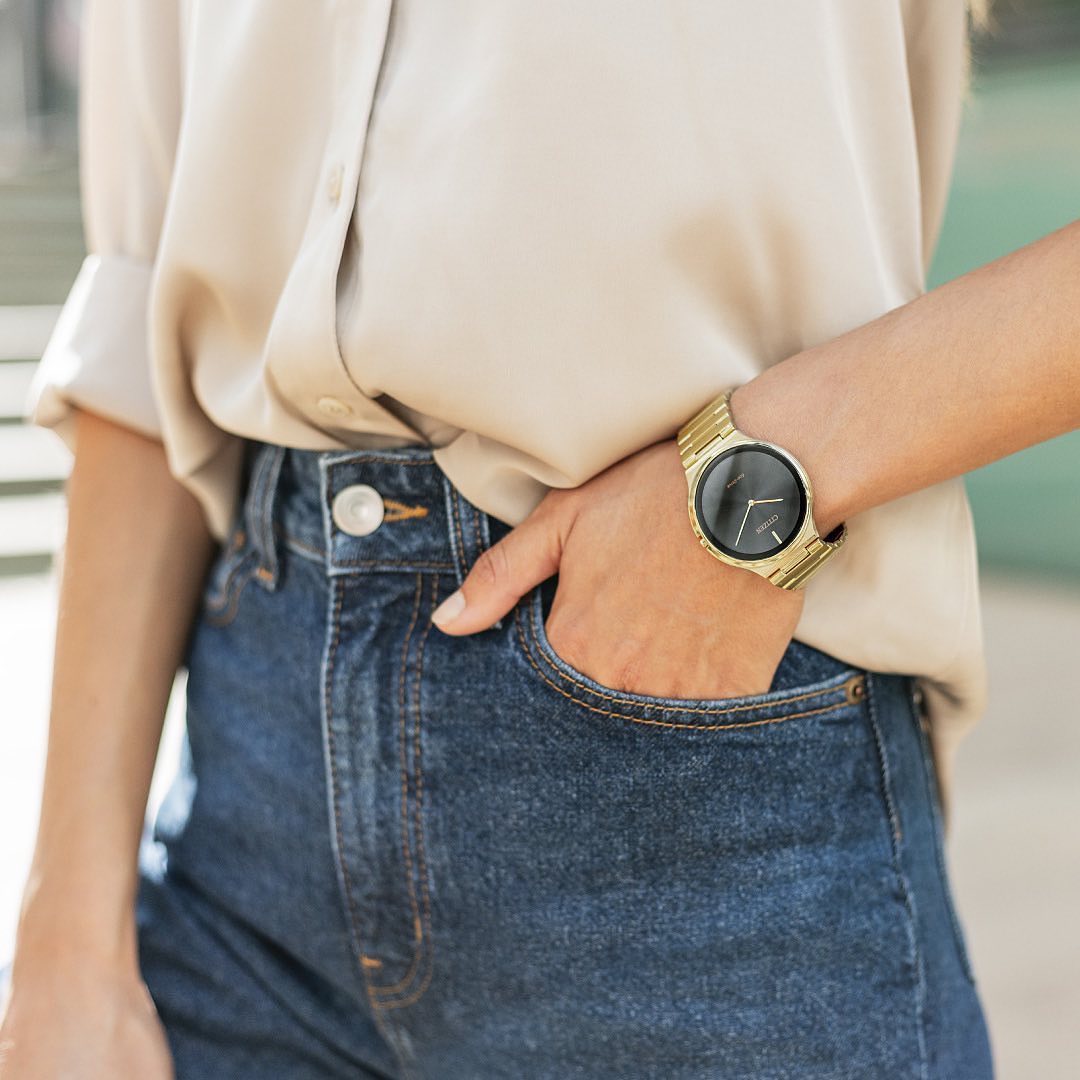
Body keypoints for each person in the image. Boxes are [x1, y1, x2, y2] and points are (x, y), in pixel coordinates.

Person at [2, 0, 1077, 1076]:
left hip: (694, 759)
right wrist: (68, 939)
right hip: (246, 810)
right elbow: (139, 304)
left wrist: (759, 477)